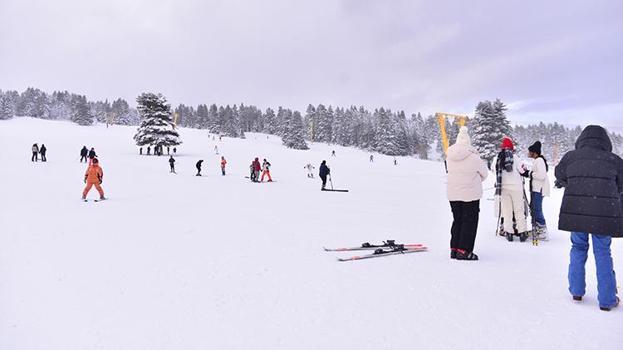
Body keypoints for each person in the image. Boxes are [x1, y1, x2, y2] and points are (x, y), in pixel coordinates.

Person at [555, 125, 622, 311]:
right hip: (603, 215)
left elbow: (559, 175)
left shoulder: (570, 157)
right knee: (602, 253)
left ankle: (576, 291)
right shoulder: (614, 160)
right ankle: (607, 300)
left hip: (577, 213)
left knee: (578, 247)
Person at [446, 127, 488, 260]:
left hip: (453, 194)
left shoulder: (449, 157)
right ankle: (464, 251)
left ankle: (454, 249)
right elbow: (484, 174)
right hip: (470, 194)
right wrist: (475, 180)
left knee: (457, 220)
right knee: (469, 222)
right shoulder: (474, 157)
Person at [495, 136, 528, 241]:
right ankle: (522, 232)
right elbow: (523, 171)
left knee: (507, 211)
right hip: (517, 188)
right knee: (519, 210)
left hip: (504, 188)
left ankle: (509, 232)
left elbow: (493, 170)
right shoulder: (515, 158)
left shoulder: (498, 158)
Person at [521, 141, 550, 240]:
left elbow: (541, 175)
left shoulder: (539, 161)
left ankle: (542, 230)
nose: (528, 153)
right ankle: (537, 228)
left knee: (537, 209)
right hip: (536, 189)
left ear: (534, 152)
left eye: (530, 152)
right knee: (534, 208)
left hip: (539, 189)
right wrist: (528, 172)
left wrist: (529, 174)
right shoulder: (537, 161)